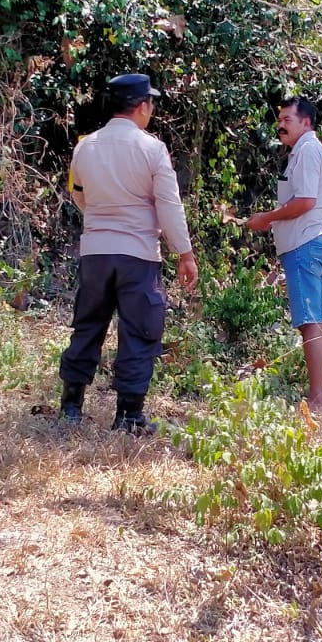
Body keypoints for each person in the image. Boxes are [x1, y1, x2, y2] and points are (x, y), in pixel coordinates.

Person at [59, 73, 199, 432]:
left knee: (88, 325)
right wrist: (184, 252)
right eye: (150, 104)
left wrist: (101, 217)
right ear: (141, 106)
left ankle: (71, 406)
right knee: (139, 331)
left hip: (95, 252)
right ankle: (129, 415)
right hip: (137, 253)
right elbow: (169, 206)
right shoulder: (152, 149)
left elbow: (79, 194)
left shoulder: (85, 146)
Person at [247, 96, 322, 413]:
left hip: (305, 244)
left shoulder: (309, 150)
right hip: (310, 243)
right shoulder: (302, 152)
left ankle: (319, 399)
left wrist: (266, 218)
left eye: (288, 119)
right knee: (320, 322)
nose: (281, 124)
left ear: (306, 123)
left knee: (309, 323)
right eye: (280, 118)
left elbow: (305, 202)